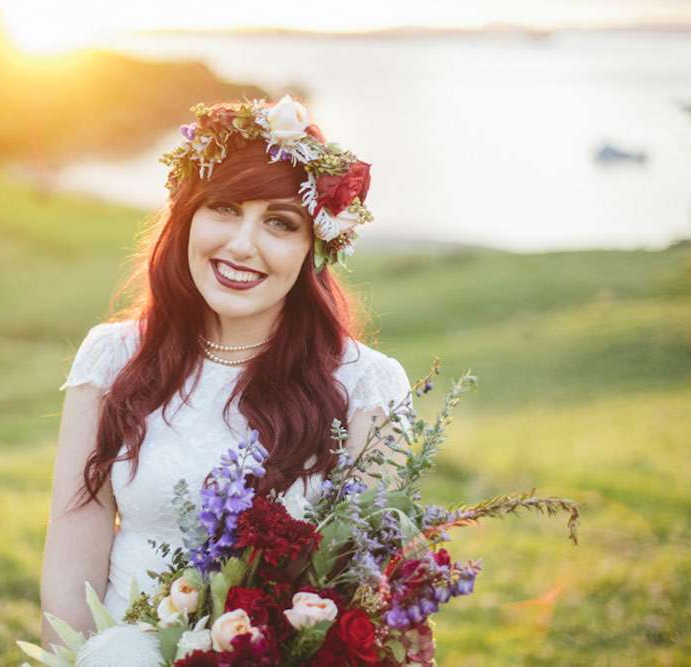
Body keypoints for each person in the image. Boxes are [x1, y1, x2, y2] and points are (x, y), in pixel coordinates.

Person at [39, 95, 412, 647]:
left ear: (315, 250)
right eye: (225, 208)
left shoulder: (366, 386)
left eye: (280, 224)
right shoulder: (112, 358)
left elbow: (365, 595)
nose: (242, 245)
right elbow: (72, 567)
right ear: (188, 217)